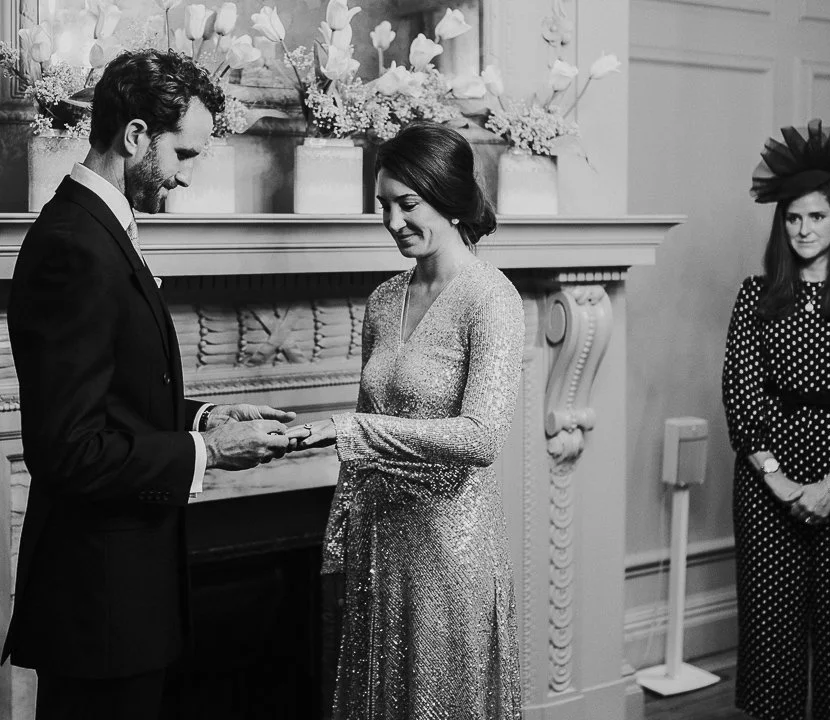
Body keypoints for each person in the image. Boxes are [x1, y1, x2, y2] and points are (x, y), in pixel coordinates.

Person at [0, 49, 296, 720]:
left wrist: (208, 418)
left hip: (121, 605)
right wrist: (212, 455)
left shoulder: (101, 231)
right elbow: (68, 451)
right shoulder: (75, 244)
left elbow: (120, 398)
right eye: (185, 154)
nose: (190, 177)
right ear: (135, 136)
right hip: (97, 608)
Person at [292, 121, 524, 719]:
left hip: (450, 555)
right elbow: (370, 427)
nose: (393, 222)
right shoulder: (382, 299)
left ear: (448, 197)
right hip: (380, 550)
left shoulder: (491, 298)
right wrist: (340, 543)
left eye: (408, 204)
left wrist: (346, 429)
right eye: (384, 206)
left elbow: (480, 438)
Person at [721, 119, 830, 720]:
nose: (803, 229)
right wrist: (775, 478)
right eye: (793, 218)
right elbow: (740, 391)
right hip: (767, 476)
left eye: (816, 217)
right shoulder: (756, 293)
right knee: (771, 637)